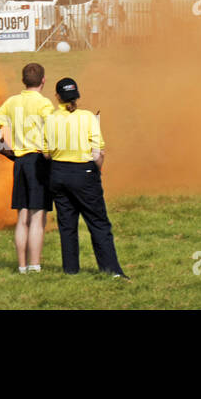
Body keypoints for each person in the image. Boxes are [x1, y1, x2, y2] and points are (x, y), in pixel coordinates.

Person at [43, 77, 128, 279]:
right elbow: (99, 152)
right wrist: (97, 170)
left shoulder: (50, 119)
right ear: (77, 96)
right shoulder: (88, 117)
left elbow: (46, 154)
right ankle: (112, 271)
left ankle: (71, 271)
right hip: (84, 173)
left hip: (58, 173)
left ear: (57, 97)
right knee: (98, 223)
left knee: (67, 225)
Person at [0, 62, 55, 274]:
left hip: (19, 163)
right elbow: (52, 132)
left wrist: (5, 149)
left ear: (23, 81)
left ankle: (21, 266)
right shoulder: (44, 104)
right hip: (38, 161)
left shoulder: (12, 102)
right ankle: (35, 266)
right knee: (37, 216)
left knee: (22, 216)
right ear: (43, 80)